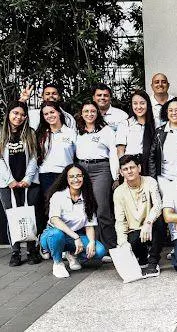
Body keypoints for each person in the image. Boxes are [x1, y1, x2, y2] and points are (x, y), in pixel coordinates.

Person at [0, 101, 42, 266]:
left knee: (30, 215)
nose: (18, 117)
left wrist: (27, 178)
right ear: (8, 114)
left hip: (29, 182)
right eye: (15, 113)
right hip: (6, 183)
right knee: (12, 216)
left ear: (26, 117)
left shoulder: (30, 133)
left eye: (22, 115)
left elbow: (33, 157)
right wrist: (10, 180)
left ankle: (32, 250)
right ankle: (15, 252)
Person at [40, 164, 107, 278]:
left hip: (74, 237)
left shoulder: (88, 198)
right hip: (53, 235)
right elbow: (55, 219)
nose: (76, 179)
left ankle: (72, 254)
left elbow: (89, 225)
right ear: (66, 179)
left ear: (83, 177)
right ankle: (58, 263)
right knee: (57, 234)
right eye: (71, 176)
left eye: (79, 176)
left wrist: (91, 242)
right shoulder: (58, 196)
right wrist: (76, 237)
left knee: (99, 251)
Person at [74, 100, 120, 251]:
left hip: (101, 169)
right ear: (81, 114)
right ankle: (93, 246)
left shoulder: (106, 130)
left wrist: (115, 176)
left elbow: (113, 154)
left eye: (93, 111)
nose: (89, 114)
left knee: (102, 208)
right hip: (82, 169)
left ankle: (110, 246)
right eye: (86, 111)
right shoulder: (76, 130)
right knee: (86, 208)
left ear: (98, 113)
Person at [113, 155, 165, 277]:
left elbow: (158, 205)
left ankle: (153, 263)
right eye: (125, 169)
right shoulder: (119, 192)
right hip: (134, 231)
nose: (129, 171)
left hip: (150, 225)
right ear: (121, 172)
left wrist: (148, 222)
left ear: (139, 168)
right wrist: (122, 244)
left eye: (132, 167)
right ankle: (143, 257)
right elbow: (120, 221)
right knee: (129, 244)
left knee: (160, 221)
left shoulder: (150, 182)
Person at [36, 101, 77, 238]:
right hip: (46, 175)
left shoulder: (71, 132)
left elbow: (76, 155)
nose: (50, 116)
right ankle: (48, 239)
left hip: (65, 175)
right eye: (46, 114)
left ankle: (68, 239)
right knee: (49, 208)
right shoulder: (41, 134)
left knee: (66, 207)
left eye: (52, 112)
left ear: (59, 112)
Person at [116, 90, 156, 172]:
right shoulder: (125, 124)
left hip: (151, 165)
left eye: (142, 103)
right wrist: (124, 168)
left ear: (148, 104)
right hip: (131, 165)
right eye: (135, 103)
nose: (139, 107)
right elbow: (120, 151)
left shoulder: (155, 124)